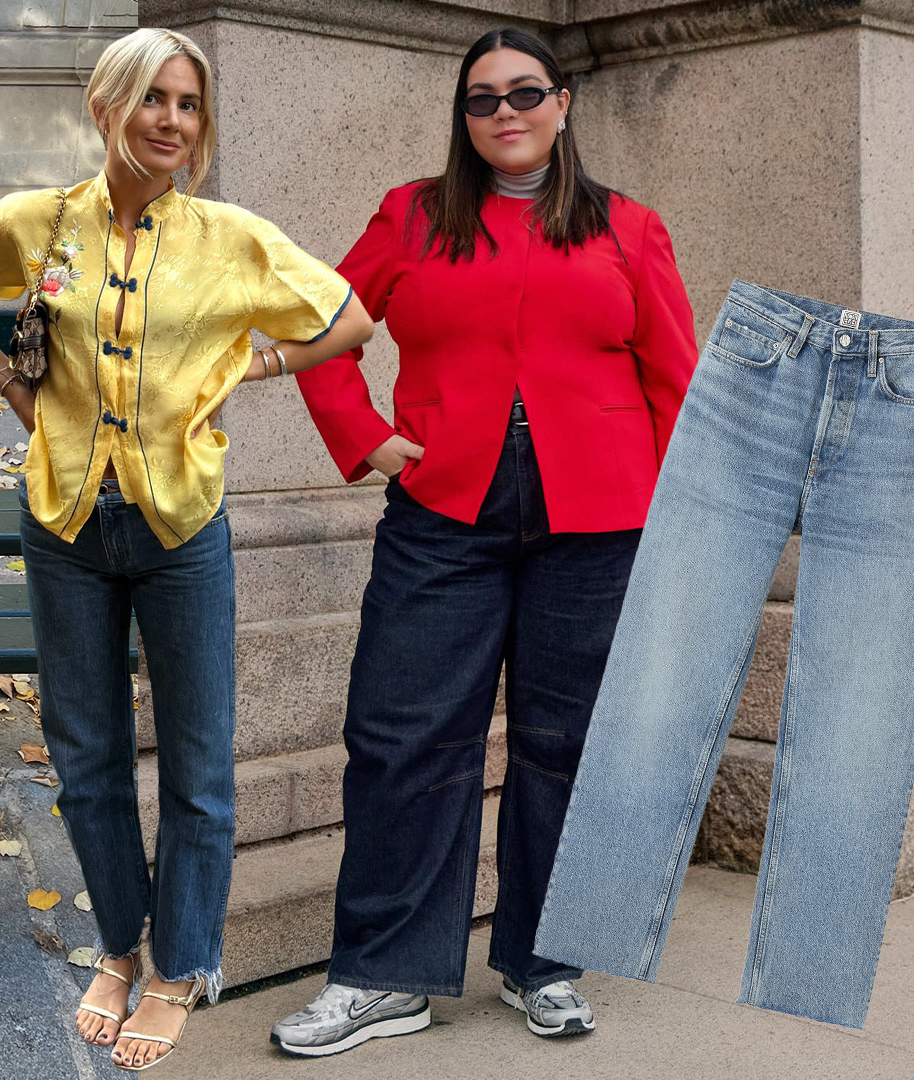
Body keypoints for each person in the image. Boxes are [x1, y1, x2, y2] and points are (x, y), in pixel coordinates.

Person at [0, 27, 372, 1072]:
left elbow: (351, 319)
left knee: (197, 761)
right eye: (153, 98)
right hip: (65, 522)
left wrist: (255, 366)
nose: (172, 120)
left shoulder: (231, 237)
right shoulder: (39, 223)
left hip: (181, 527)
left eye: (188, 103)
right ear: (107, 105)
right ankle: (121, 949)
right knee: (85, 757)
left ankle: (180, 966)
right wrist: (9, 383)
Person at [274, 26, 697, 1057]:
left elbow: (675, 378)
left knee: (568, 744)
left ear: (564, 104)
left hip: (598, 522)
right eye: (482, 99)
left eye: (525, 92)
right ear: (463, 118)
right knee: (401, 737)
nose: (505, 112)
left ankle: (544, 964)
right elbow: (317, 326)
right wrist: (366, 438)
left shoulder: (630, 228)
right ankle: (385, 976)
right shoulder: (412, 215)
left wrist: (682, 523)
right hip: (443, 516)